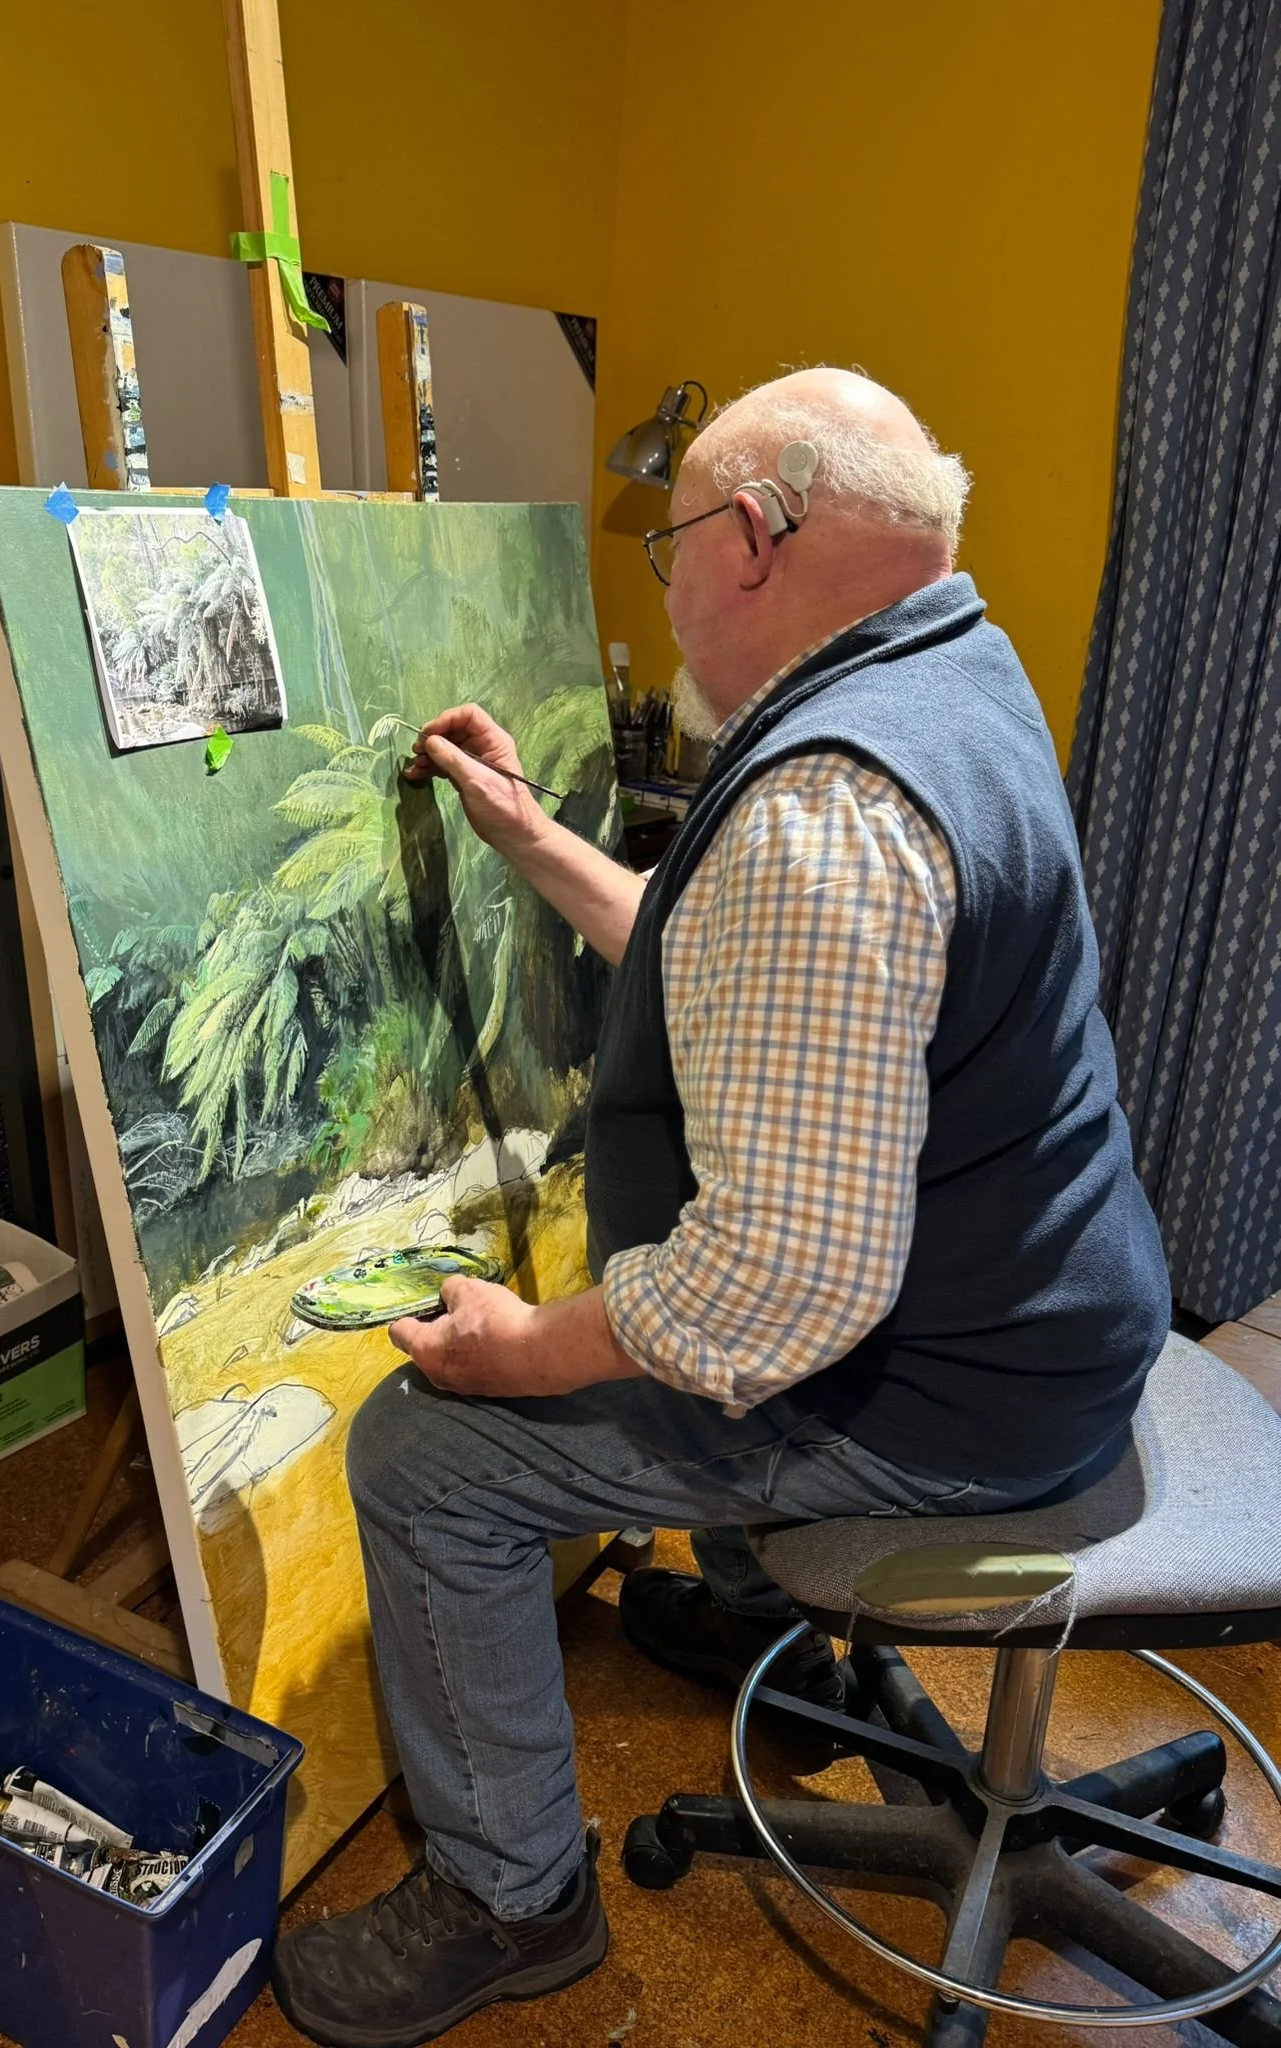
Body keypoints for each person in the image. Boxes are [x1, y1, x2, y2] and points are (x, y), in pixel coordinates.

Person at [271, 368, 1170, 2048]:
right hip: (1060, 1318)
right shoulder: (951, 675)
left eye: (671, 528)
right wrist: (535, 838)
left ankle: (509, 1896)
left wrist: (519, 1346)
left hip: (956, 1401)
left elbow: (772, 1301)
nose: (660, 571)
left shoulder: (823, 814)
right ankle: (761, 1609)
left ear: (752, 535)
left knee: (424, 1456)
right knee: (669, 1318)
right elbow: (754, 998)